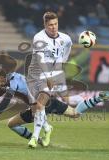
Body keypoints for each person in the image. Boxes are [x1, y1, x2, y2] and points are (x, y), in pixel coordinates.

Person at [0, 67, 109, 147]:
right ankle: (98, 98)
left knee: (13, 123)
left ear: (0, 77)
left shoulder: (12, 82)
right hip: (44, 102)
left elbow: (5, 99)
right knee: (74, 113)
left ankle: (39, 137)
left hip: (42, 104)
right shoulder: (10, 79)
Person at [26, 11, 73, 148]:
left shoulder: (66, 38)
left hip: (51, 74)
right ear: (45, 25)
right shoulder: (39, 38)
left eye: (56, 24)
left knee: (41, 104)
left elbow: (67, 49)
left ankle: (34, 138)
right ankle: (47, 128)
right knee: (35, 109)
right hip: (35, 74)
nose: (54, 27)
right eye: (50, 25)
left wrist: (60, 67)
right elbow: (40, 61)